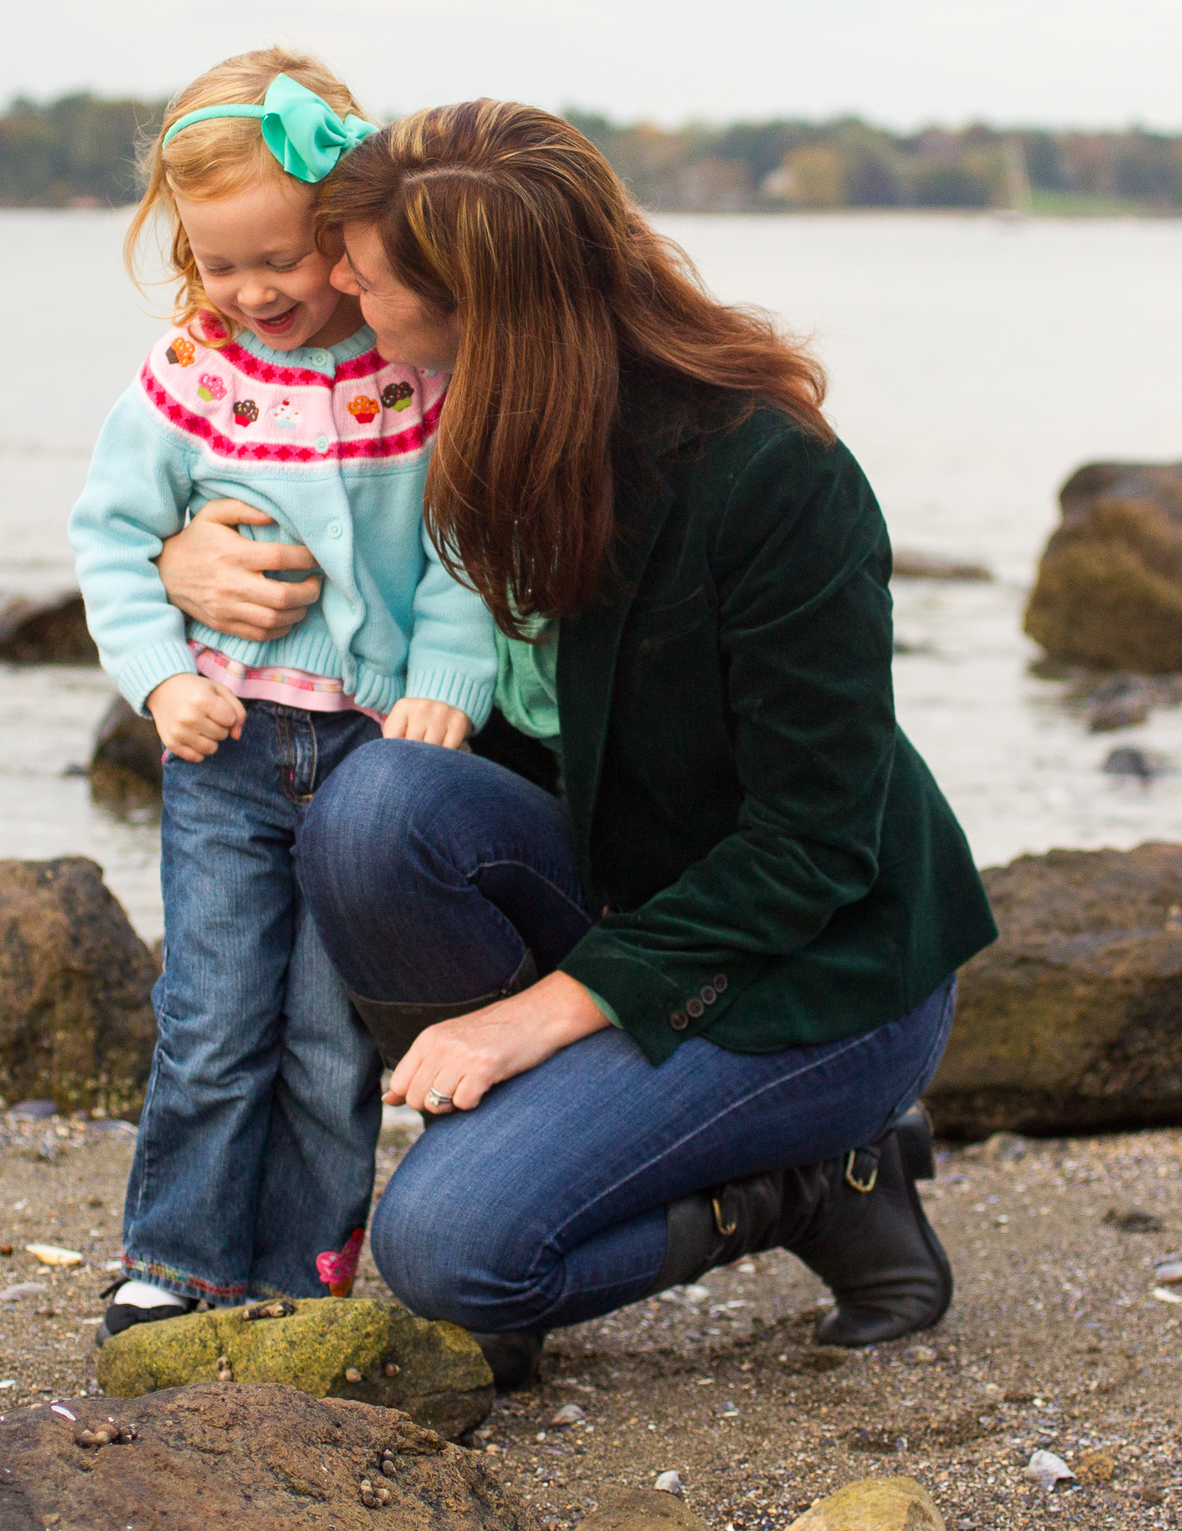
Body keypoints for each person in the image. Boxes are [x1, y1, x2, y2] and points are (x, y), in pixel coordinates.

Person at [151, 99, 997, 1384]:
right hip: (619, 898)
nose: (328, 286)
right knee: (374, 807)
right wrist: (181, 550)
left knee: (448, 1256)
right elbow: (255, 465)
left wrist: (528, 1021)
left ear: (477, 308)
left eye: (361, 275)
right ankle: (562, 1144)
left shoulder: (771, 477)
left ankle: (809, 1184)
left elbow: (812, 843)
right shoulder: (447, 414)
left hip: (820, 970)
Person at [68, 50, 498, 1343]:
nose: (253, 292)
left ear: (346, 236)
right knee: (210, 1016)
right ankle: (175, 1256)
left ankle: (303, 1269)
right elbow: (110, 538)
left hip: (369, 758)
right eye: (219, 264)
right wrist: (155, 680)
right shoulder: (187, 378)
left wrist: (445, 683)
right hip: (230, 741)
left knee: (325, 1039)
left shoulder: (413, 366)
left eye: (282, 259)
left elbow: (463, 544)